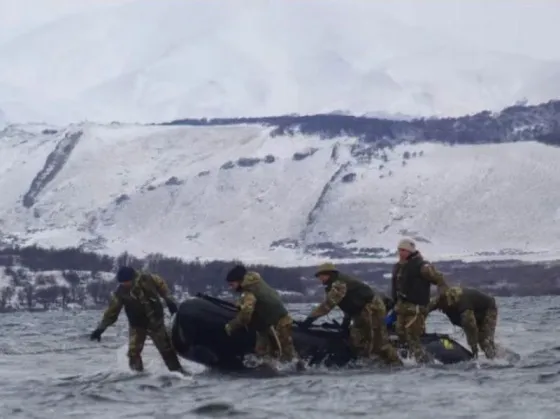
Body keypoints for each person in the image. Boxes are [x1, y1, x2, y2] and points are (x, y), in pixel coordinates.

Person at [301, 263, 402, 366]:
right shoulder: (333, 285)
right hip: (358, 312)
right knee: (356, 340)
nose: (320, 279)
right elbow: (349, 304)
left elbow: (328, 305)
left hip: (372, 309)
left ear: (329, 274)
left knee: (379, 341)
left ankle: (396, 364)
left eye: (321, 276)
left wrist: (309, 320)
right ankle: (369, 362)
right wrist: (345, 323)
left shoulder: (339, 284)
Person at [89, 266, 185, 374]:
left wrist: (170, 301)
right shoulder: (120, 293)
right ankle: (137, 374)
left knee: (166, 350)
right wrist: (100, 329)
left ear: (132, 278)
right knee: (133, 352)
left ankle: (178, 372)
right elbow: (112, 312)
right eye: (122, 283)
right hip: (137, 325)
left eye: (126, 282)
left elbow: (163, 288)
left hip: (156, 322)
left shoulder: (149, 279)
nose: (125, 284)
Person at [224, 264, 301, 366]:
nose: (231, 288)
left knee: (288, 355)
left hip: (279, 323)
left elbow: (246, 314)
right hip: (265, 325)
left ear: (239, 281)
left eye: (232, 284)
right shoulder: (257, 283)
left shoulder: (249, 291)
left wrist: (231, 326)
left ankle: (297, 368)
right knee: (261, 353)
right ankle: (267, 366)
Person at [391, 238, 449, 363]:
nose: (400, 253)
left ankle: (423, 363)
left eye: (403, 250)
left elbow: (439, 279)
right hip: (401, 308)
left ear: (410, 251)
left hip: (416, 308)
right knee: (400, 335)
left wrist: (442, 295)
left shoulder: (422, 266)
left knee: (414, 337)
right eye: (399, 250)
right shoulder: (398, 267)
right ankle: (406, 361)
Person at [427, 286, 498, 359]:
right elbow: (425, 310)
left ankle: (494, 358)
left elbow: (471, 328)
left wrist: (474, 350)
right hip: (473, 311)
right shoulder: (440, 300)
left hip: (488, 309)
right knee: (479, 338)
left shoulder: (464, 307)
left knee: (484, 341)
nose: (441, 310)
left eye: (443, 307)